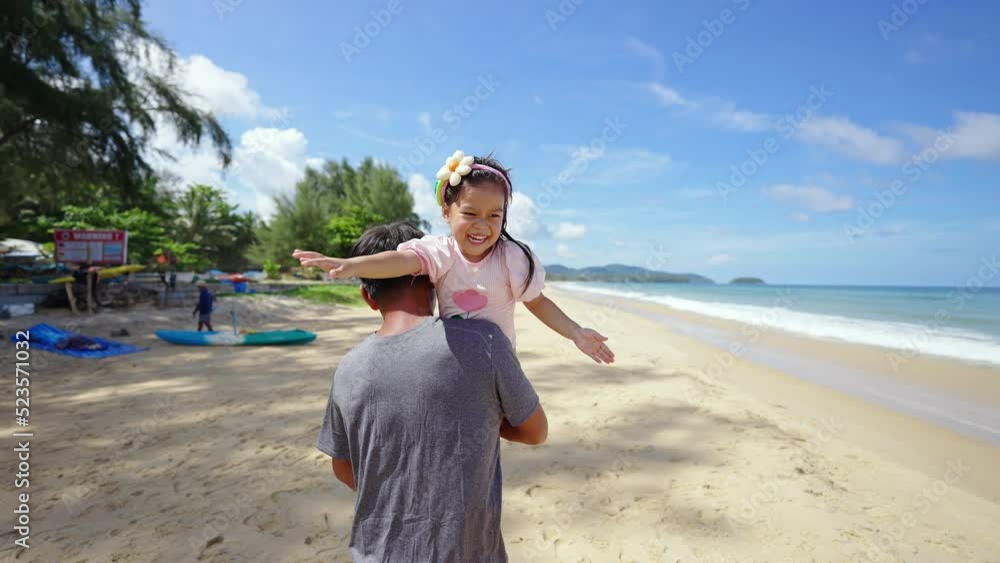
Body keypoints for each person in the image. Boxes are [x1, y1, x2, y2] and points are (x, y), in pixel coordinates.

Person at [316, 222, 548, 562]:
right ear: (436, 277)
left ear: (368, 296)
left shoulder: (348, 368)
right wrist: (482, 412)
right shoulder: (482, 341)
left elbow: (343, 466)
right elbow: (536, 431)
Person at [294, 150, 615, 363]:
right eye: (470, 213)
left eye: (494, 216)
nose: (482, 226)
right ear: (447, 212)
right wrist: (351, 265)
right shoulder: (441, 252)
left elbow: (537, 302)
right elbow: (401, 261)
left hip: (498, 363)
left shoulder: (511, 259)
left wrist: (575, 332)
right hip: (449, 359)